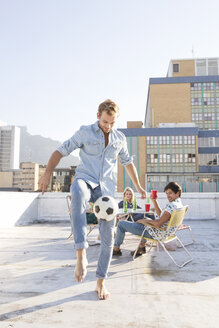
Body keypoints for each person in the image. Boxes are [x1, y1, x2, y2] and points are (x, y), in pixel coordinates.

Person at [38, 99, 146, 300]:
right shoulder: (84, 132)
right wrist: (47, 174)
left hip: (105, 191)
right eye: (106, 122)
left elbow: (128, 163)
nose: (108, 126)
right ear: (98, 116)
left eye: (112, 123)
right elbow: (59, 151)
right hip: (85, 179)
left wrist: (138, 186)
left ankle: (101, 282)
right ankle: (81, 254)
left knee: (108, 238)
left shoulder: (119, 138)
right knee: (77, 191)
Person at [113, 182, 183, 257]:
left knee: (121, 224)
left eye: (170, 193)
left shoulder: (171, 206)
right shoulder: (178, 205)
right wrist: (154, 201)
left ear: (178, 193)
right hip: (166, 233)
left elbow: (158, 223)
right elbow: (161, 215)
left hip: (156, 234)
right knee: (146, 218)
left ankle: (116, 249)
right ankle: (141, 247)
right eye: (167, 193)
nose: (168, 196)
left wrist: (144, 221)